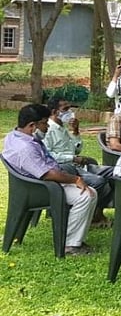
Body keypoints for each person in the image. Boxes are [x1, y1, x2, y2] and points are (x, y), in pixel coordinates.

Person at [2, 104, 97, 255]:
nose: (47, 126)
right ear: (32, 125)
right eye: (45, 123)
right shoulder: (25, 148)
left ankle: (73, 238)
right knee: (88, 195)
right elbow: (47, 174)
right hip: (42, 189)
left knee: (88, 183)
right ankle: (71, 245)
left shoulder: (14, 135)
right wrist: (75, 179)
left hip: (35, 184)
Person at [44, 96, 114, 222]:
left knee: (113, 172)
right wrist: (72, 158)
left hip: (77, 165)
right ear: (55, 112)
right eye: (65, 109)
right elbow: (48, 155)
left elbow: (76, 149)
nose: (70, 112)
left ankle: (98, 210)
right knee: (98, 181)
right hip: (65, 168)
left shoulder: (62, 127)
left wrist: (75, 131)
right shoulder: (48, 129)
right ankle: (85, 213)